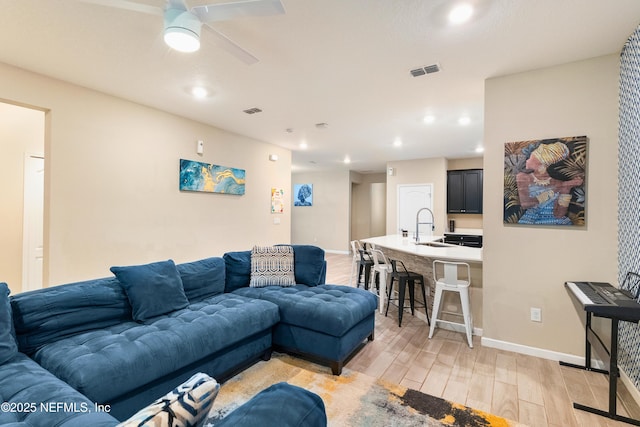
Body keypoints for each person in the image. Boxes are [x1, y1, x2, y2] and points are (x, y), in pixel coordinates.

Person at [516, 141, 583, 225]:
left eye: (531, 158)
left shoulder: (557, 182)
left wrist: (566, 189)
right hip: (531, 220)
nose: (527, 160)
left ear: (542, 164)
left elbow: (559, 214)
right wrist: (554, 190)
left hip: (554, 222)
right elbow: (525, 204)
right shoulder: (523, 177)